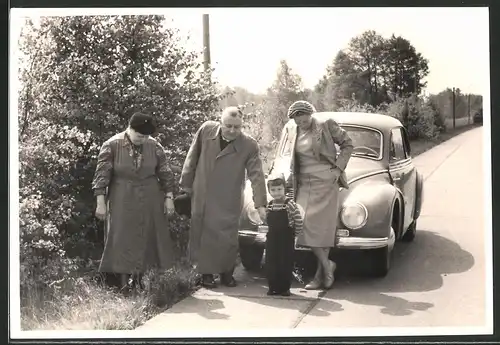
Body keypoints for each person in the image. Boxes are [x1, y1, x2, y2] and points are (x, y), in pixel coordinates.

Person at [179, 106, 267, 288]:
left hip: (229, 196)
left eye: (237, 127)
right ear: (220, 122)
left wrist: (260, 204)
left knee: (227, 236)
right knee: (202, 235)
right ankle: (206, 274)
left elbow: (256, 175)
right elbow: (191, 158)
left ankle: (227, 272)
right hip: (202, 193)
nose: (233, 130)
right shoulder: (206, 131)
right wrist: (186, 187)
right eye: (229, 126)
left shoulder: (249, 145)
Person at [92, 112, 176, 292]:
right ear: (129, 129)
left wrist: (169, 198)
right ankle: (123, 283)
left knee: (145, 236)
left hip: (150, 196)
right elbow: (101, 177)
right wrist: (100, 202)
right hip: (122, 195)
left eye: (146, 136)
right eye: (139, 135)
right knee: (122, 237)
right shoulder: (112, 145)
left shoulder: (154, 146)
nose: (143, 139)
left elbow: (166, 174)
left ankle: (139, 280)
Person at [285, 100, 353, 290]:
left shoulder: (326, 125)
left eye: (302, 116)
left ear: (310, 113)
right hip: (303, 185)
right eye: (295, 117)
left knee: (323, 228)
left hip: (326, 182)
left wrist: (338, 169)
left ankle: (318, 276)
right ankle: (327, 264)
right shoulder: (293, 131)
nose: (299, 121)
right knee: (302, 224)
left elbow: (348, 145)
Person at [264, 173, 303, 296]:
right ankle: (273, 287)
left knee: (285, 262)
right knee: (271, 262)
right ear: (269, 191)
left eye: (279, 189)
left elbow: (298, 220)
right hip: (272, 238)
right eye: (273, 190)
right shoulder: (270, 205)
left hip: (286, 238)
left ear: (284, 189)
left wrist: (295, 234)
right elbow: (266, 221)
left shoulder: (289, 204)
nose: (276, 193)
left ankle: (285, 288)